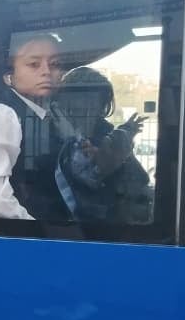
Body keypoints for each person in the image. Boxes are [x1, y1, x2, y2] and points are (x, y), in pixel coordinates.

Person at [0, 32, 68, 220]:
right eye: (34, 64)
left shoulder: (49, 115)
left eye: (55, 64)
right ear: (9, 76)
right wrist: (40, 232)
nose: (46, 71)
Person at [51, 66, 151, 224]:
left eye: (94, 103)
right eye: (80, 102)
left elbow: (138, 181)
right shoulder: (54, 133)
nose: (88, 109)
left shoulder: (107, 136)